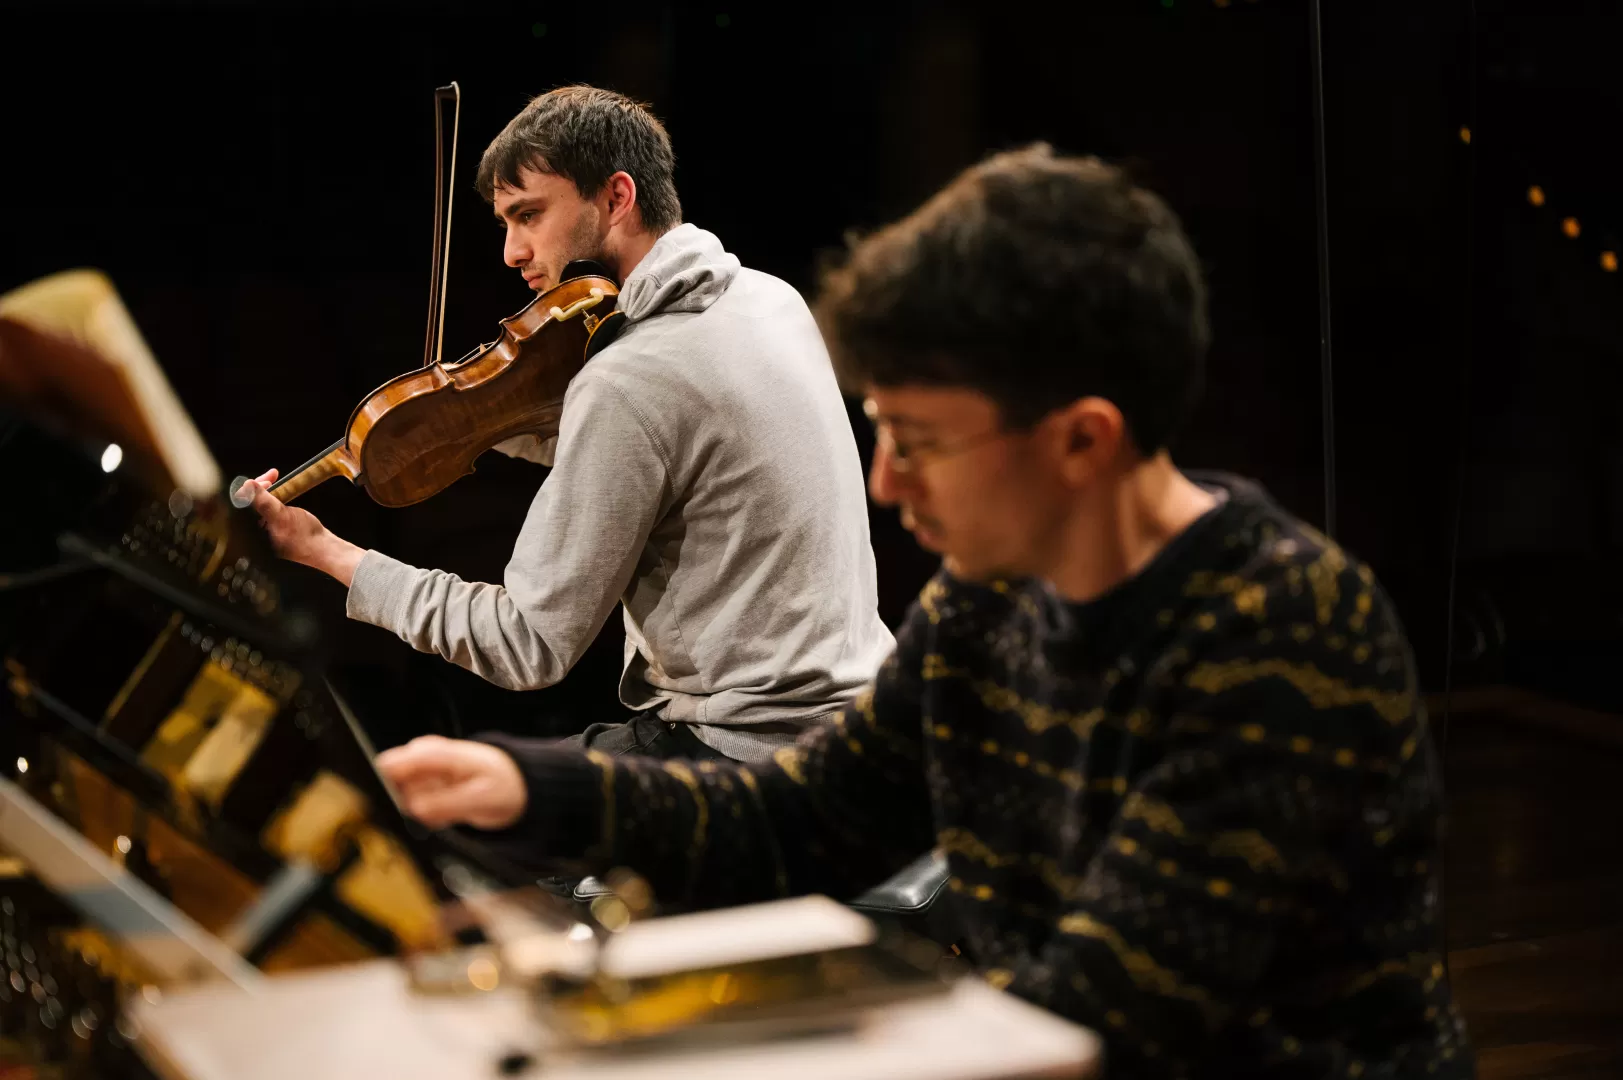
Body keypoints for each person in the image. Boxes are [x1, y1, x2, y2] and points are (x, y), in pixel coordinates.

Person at [376, 145, 1472, 1077]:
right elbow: (803, 821)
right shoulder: (986, 608)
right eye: (881, 432)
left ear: (1082, 441)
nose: (886, 485)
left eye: (922, 442)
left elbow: (1103, 1019)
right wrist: (528, 787)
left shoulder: (1279, 640)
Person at [241, 86, 893, 764]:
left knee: (448, 819)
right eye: (503, 224)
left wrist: (321, 550)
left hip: (743, 753)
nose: (511, 252)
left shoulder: (631, 379)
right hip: (862, 722)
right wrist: (475, 421)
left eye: (528, 216)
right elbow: (663, 451)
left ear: (616, 197)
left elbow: (526, 644)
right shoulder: (769, 299)